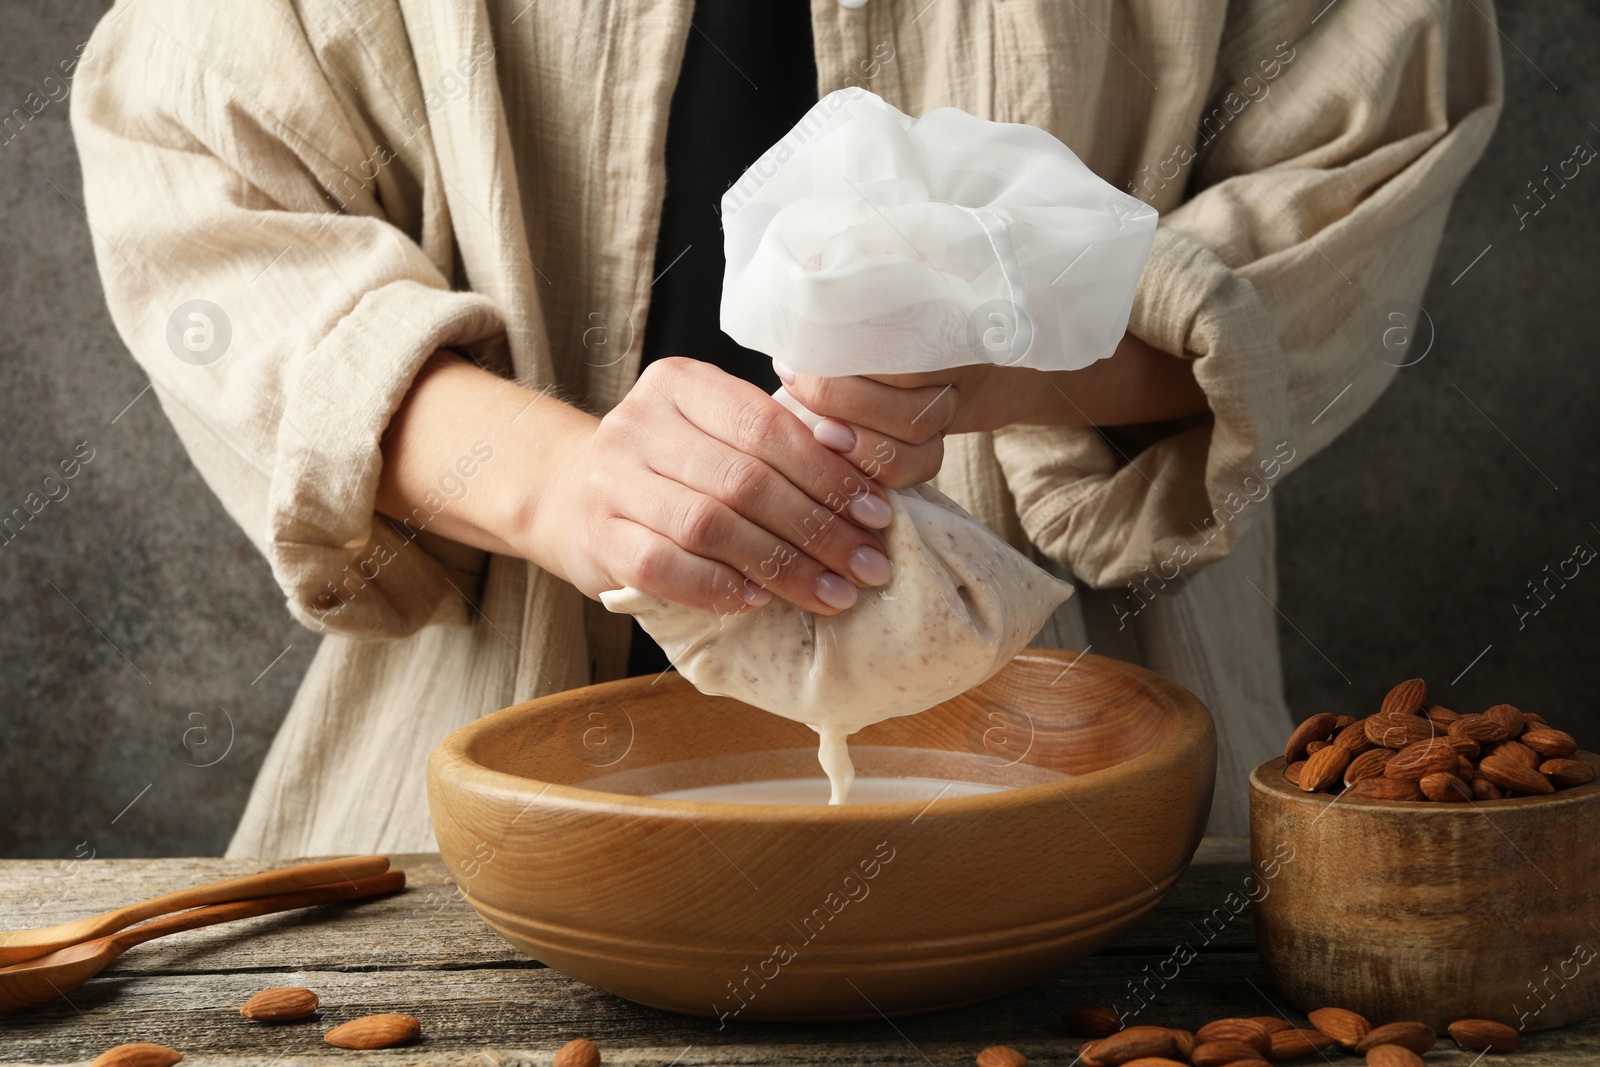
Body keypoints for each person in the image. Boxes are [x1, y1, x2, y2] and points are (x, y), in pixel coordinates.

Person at [71, 0, 1501, 855]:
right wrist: (555, 480)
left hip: (1105, 850)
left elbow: (1371, 128)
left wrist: (1028, 348)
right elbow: (194, 168)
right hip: (462, 828)